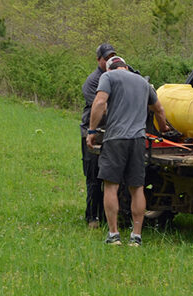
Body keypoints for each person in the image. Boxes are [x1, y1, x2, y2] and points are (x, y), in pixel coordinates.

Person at [86, 56, 169, 245]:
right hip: (138, 141)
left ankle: (114, 235)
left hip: (116, 139)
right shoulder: (143, 82)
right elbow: (159, 109)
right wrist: (163, 128)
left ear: (110, 69)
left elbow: (99, 103)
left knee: (111, 186)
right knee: (137, 188)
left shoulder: (108, 77)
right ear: (125, 66)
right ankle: (136, 236)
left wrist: (91, 131)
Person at [80, 43, 116, 228]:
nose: (109, 60)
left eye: (112, 56)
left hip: (112, 134)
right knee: (93, 177)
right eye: (105, 58)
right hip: (92, 133)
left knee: (110, 177)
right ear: (98, 60)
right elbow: (100, 107)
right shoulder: (93, 81)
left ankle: (107, 215)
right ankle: (92, 217)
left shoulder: (117, 76)